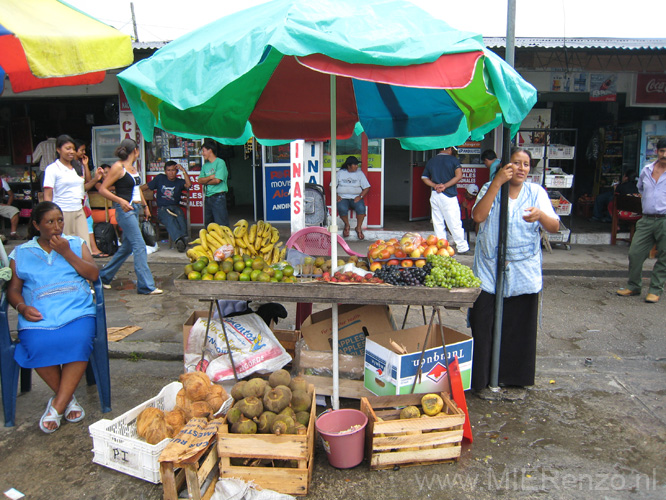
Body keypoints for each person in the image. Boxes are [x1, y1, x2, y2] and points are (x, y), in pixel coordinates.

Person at [469, 147, 560, 393]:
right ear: (503, 166)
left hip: (523, 270)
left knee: (518, 326)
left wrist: (541, 215)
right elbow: (478, 216)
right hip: (489, 268)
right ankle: (481, 380)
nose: (521, 168)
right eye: (515, 163)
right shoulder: (491, 187)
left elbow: (554, 227)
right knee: (484, 322)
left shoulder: (536, 193)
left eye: (526, 164)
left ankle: (514, 379)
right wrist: (497, 183)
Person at [6, 201, 99, 433]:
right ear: (37, 225)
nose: (57, 226)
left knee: (78, 340)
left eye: (60, 220)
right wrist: (21, 307)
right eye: (50, 222)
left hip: (76, 309)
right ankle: (67, 400)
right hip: (39, 313)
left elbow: (93, 274)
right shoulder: (21, 253)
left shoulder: (76, 244)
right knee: (37, 344)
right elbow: (13, 290)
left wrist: (66, 252)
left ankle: (57, 405)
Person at [97, 138, 162, 295]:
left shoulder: (132, 168)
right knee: (139, 246)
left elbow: (137, 189)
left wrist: (145, 207)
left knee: (127, 247)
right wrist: (120, 200)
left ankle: (104, 277)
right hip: (124, 210)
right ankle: (145, 286)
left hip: (135, 208)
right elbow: (103, 189)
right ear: (136, 151)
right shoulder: (118, 167)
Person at [617, 139, 666, 303]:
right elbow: (641, 189)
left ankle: (655, 289)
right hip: (646, 219)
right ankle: (634, 286)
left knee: (664, 257)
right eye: (661, 151)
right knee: (635, 253)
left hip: (665, 219)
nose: (664, 155)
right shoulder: (647, 170)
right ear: (657, 152)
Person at [421, 146, 469, 253]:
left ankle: (441, 248)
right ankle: (462, 247)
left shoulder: (432, 161)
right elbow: (459, 175)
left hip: (435, 194)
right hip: (449, 195)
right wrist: (445, 186)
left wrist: (435, 185)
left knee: (438, 223)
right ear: (450, 149)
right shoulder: (453, 160)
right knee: (454, 223)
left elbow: (424, 177)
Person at [42, 135, 89, 243]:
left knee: (84, 245)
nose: (71, 152)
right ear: (58, 150)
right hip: (62, 212)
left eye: (73, 149)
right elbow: (48, 195)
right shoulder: (52, 169)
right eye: (68, 149)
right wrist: (49, 215)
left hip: (79, 210)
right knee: (65, 245)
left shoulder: (76, 167)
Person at [142, 160, 192, 252]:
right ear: (165, 171)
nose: (171, 173)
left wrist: (183, 170)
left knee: (180, 218)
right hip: (162, 208)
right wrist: (135, 192)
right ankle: (179, 241)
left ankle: (183, 239)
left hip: (175, 207)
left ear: (176, 171)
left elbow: (189, 185)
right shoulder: (160, 178)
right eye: (168, 170)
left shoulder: (179, 182)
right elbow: (144, 187)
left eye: (173, 170)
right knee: (170, 219)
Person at [74, 139, 107, 257]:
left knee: (88, 221)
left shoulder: (79, 165)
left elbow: (88, 180)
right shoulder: (72, 166)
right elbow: (85, 184)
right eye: (81, 150)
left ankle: (90, 248)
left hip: (84, 197)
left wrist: (85, 165)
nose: (83, 152)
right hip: (78, 199)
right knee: (87, 222)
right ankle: (92, 248)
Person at [335, 155, 370, 240]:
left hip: (355, 197)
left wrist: (360, 196)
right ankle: (347, 225)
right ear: (349, 166)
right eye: (355, 165)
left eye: (357, 165)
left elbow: (367, 187)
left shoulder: (359, 173)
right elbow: (331, 186)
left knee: (361, 208)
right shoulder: (340, 173)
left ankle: (358, 228)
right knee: (342, 208)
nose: (357, 166)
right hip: (343, 197)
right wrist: (336, 196)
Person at [198, 138, 229, 227]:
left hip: (218, 197)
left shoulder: (220, 162)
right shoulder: (205, 166)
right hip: (208, 197)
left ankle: (225, 241)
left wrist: (206, 181)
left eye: (203, 151)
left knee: (221, 224)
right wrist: (211, 177)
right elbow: (200, 180)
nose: (202, 154)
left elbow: (217, 180)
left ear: (210, 150)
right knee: (209, 224)